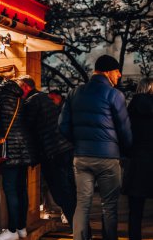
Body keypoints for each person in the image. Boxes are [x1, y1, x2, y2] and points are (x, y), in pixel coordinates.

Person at [58, 55, 132, 240]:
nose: (119, 75)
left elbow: (62, 126)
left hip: (81, 157)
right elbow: (124, 129)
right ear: (107, 72)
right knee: (109, 206)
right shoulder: (114, 95)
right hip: (108, 158)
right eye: (116, 71)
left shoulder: (74, 93)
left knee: (82, 203)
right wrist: (126, 151)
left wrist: (78, 142)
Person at [0, 75, 38, 240]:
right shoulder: (19, 94)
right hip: (24, 147)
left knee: (10, 189)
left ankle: (11, 231)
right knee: (21, 189)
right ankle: (21, 228)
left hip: (9, 147)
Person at [21, 77, 76, 229]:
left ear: (25, 87)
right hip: (65, 148)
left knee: (61, 193)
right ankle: (82, 228)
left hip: (52, 152)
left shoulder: (31, 101)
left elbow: (28, 128)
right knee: (70, 190)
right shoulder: (45, 98)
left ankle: (79, 230)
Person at [122, 78, 153, 240]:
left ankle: (134, 237)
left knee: (135, 209)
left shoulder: (131, 106)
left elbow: (125, 133)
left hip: (137, 161)